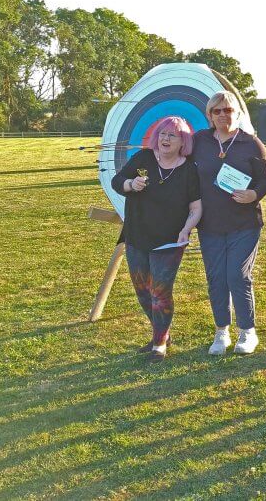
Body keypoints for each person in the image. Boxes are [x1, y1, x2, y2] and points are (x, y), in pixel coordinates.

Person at [111, 116, 202, 363]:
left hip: (170, 241)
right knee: (143, 292)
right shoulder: (143, 158)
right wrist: (131, 183)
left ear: (183, 140)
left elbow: (196, 208)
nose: (165, 139)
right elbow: (117, 181)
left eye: (172, 135)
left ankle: (159, 344)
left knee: (160, 292)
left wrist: (186, 230)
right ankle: (163, 332)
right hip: (137, 236)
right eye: (162, 133)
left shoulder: (189, 169)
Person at [192, 91, 266, 356]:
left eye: (228, 110)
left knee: (237, 275)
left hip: (244, 223)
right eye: (217, 111)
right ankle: (221, 331)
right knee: (216, 278)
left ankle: (248, 331)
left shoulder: (251, 143)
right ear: (209, 115)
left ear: (238, 113)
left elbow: (265, 179)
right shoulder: (199, 141)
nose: (223, 115)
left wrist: (254, 194)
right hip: (210, 223)